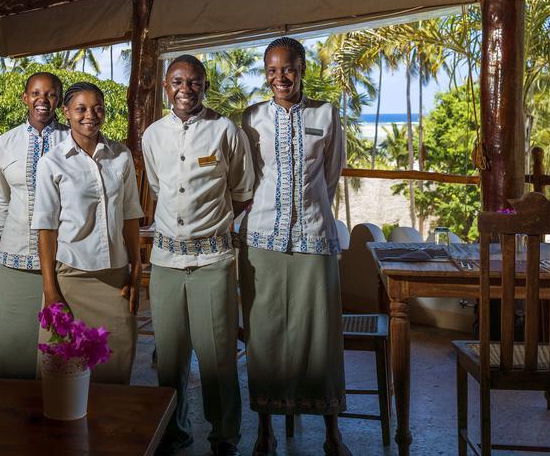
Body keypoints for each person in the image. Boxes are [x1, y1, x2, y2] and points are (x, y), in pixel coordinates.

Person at [239, 37, 350, 456]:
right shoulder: (251, 118)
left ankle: (331, 431)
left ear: (302, 68)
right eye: (271, 70)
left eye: (287, 68)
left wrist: (311, 213)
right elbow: (247, 178)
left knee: (320, 336)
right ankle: (264, 428)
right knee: (263, 335)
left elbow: (332, 171)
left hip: (315, 237)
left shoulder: (326, 113)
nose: (279, 77)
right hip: (262, 239)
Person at [143, 55, 253, 456]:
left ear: (205, 86)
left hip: (213, 262)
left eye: (194, 82)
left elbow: (242, 191)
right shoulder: (152, 135)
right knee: (170, 359)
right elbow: (158, 186)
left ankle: (224, 437)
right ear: (166, 86)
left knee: (218, 358)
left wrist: (210, 227)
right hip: (165, 262)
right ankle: (173, 432)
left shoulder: (225, 131)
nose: (185, 89)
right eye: (177, 81)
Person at [34, 82, 144, 384]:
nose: (90, 115)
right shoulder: (52, 162)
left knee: (116, 366)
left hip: (115, 280)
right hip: (69, 278)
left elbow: (131, 215)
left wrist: (136, 268)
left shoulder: (121, 156)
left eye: (97, 108)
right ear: (66, 112)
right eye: (81, 109)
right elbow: (46, 229)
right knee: (60, 373)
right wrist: (50, 289)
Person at [0, 72, 69, 379]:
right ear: (25, 98)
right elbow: (1, 196)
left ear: (59, 100)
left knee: (58, 340)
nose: (43, 100)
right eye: (36, 93)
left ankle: (57, 403)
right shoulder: (6, 141)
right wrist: (4, 236)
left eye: (50, 94)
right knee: (13, 341)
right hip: (16, 252)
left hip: (63, 256)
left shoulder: (70, 139)